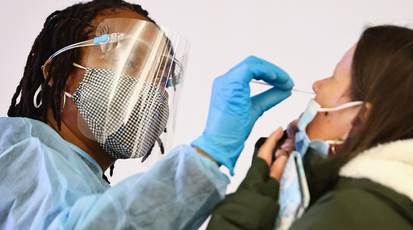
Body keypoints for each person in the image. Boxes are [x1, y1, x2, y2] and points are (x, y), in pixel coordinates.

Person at [0, 0, 294, 229]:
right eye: (130, 61)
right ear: (57, 74)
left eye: (164, 78)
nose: (153, 88)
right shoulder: (15, 149)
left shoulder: (86, 185)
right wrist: (210, 151)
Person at [207, 25, 413, 230]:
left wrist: (241, 215)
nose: (317, 85)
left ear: (361, 119)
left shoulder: (349, 214)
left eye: (334, 76)